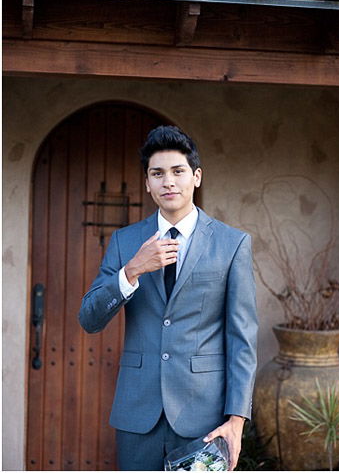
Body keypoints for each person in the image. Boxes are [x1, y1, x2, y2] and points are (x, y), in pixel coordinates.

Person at [79, 125, 257, 470]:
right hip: (137, 415)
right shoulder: (125, 242)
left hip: (203, 415)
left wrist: (236, 421)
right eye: (157, 174)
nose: (168, 182)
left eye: (178, 171)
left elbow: (242, 340)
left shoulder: (232, 243)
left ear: (196, 176)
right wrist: (131, 271)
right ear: (147, 183)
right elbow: (89, 318)